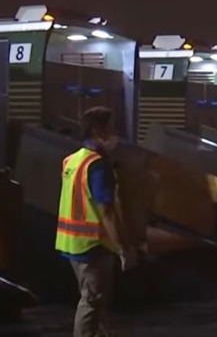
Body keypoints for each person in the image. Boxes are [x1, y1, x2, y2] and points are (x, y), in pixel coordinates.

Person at [55, 106, 138, 337]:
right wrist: (123, 249)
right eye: (111, 127)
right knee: (91, 301)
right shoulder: (97, 166)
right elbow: (107, 212)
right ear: (98, 131)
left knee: (96, 300)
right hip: (92, 245)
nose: (115, 132)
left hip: (72, 243)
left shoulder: (72, 160)